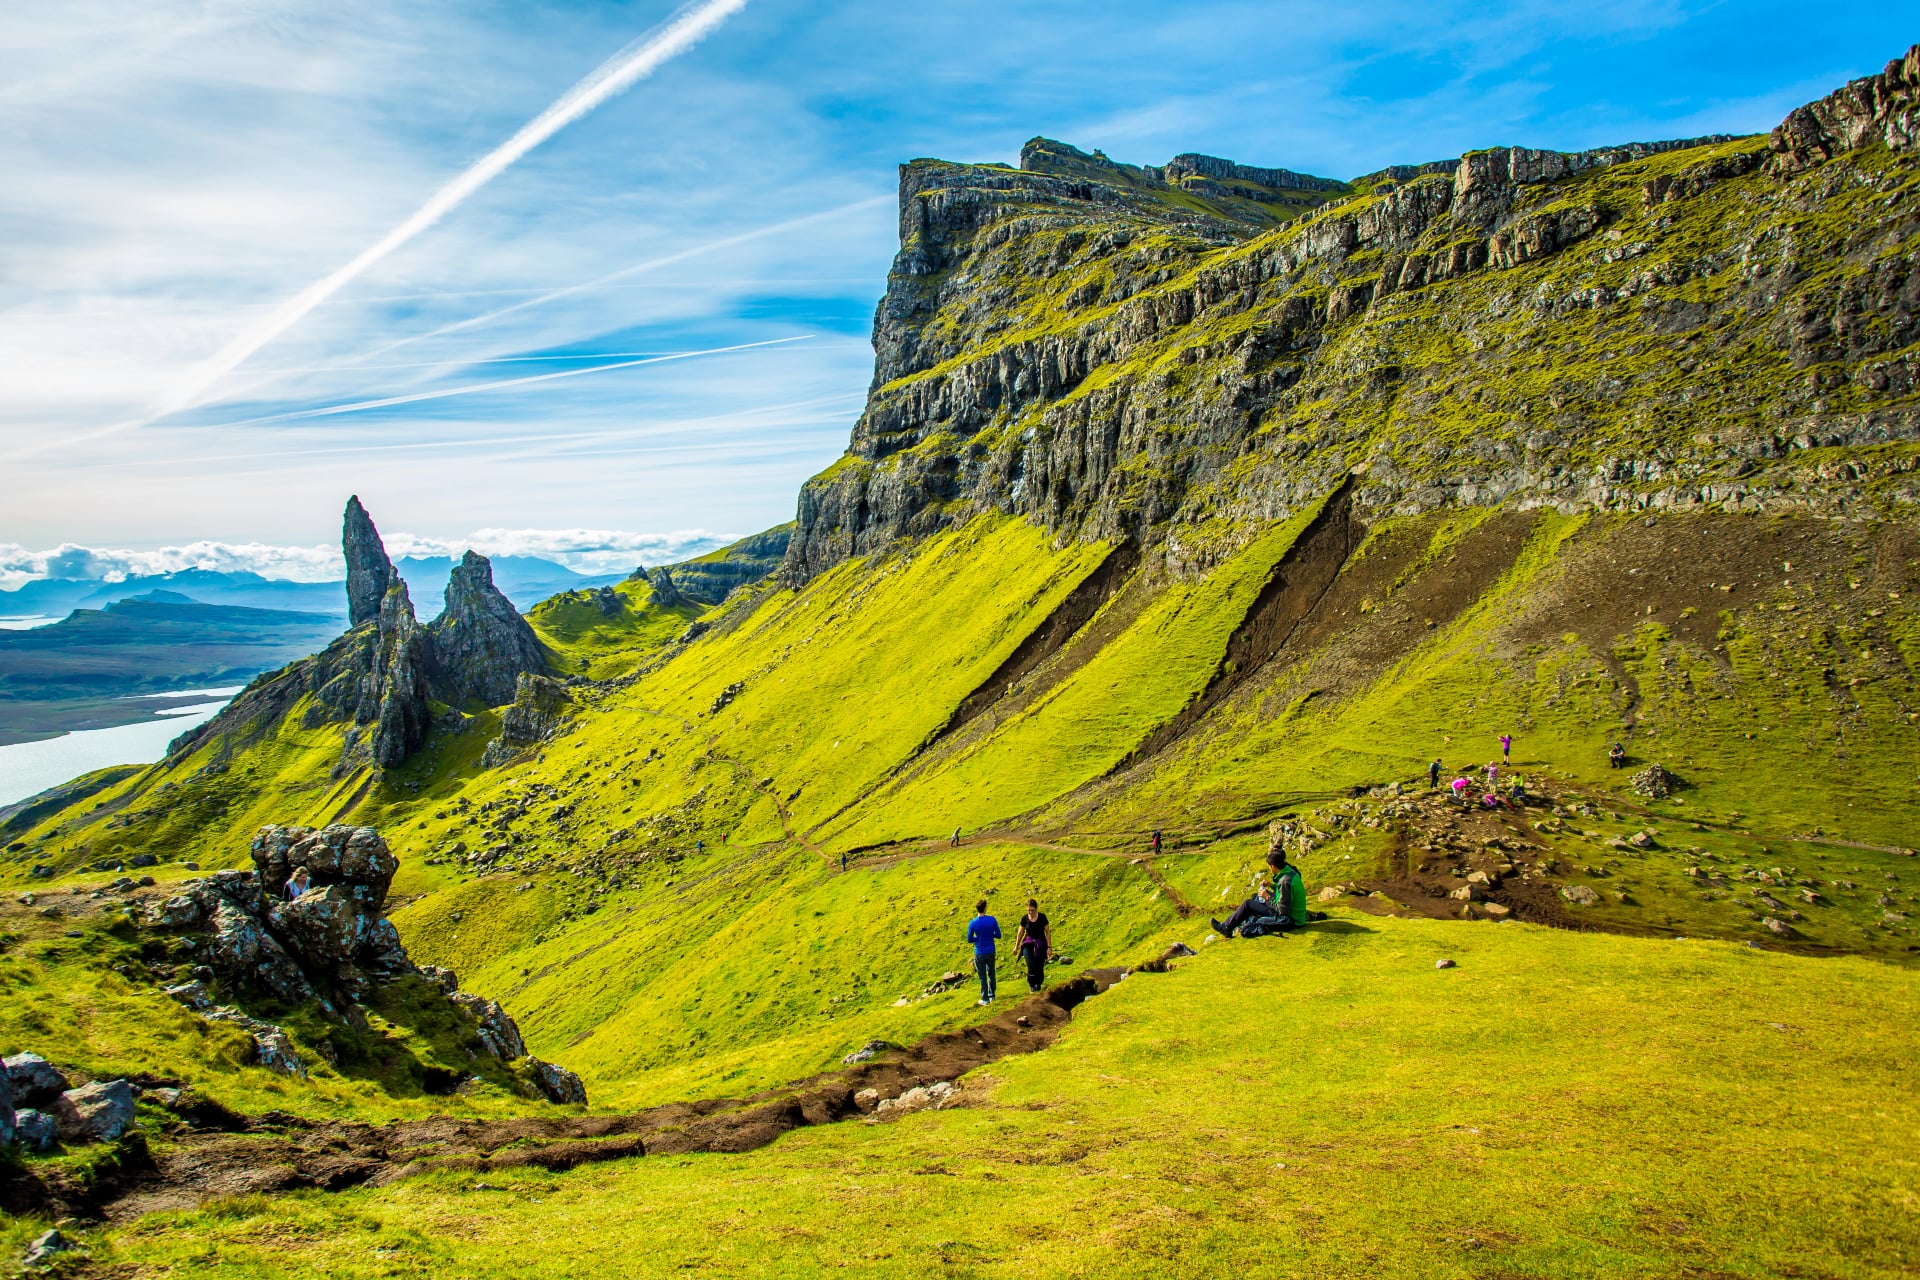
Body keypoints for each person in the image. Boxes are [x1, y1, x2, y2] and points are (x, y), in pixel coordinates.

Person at [1212, 849, 1310, 938]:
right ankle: (1236, 923)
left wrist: (1267, 897)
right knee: (1256, 896)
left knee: (1248, 904)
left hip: (1290, 920)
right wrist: (1272, 885)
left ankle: (1226, 927)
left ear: (1273, 866)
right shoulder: (1291, 872)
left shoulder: (1284, 881)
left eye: (1269, 866)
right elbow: (1287, 892)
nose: (1269, 868)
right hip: (1294, 915)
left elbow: (1282, 911)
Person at [965, 899, 1001, 1005]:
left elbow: (969, 939)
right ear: (985, 908)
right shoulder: (992, 920)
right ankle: (992, 995)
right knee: (991, 973)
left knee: (982, 976)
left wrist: (978, 938)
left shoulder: (973, 923)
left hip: (979, 951)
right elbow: (998, 935)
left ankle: (984, 999)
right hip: (990, 950)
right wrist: (990, 935)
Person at [1016, 898, 1052, 993]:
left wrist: (1049, 947)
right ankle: (1031, 985)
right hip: (1028, 943)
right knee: (1031, 965)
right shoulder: (1024, 919)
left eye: (1032, 910)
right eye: (1029, 910)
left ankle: (1038, 984)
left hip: (1041, 943)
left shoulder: (1042, 917)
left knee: (1039, 966)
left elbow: (1047, 932)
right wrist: (1016, 946)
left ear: (1036, 909)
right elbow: (1020, 933)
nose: (1031, 912)